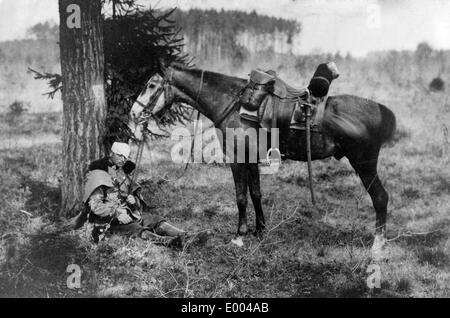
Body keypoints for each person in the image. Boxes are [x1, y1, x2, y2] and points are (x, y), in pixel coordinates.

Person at [77, 142, 187, 244]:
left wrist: (134, 200)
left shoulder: (122, 173)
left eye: (125, 157)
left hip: (131, 214)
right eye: (120, 155)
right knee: (136, 229)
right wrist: (117, 213)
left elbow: (134, 197)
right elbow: (95, 206)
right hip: (110, 223)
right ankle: (169, 242)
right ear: (112, 153)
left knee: (155, 220)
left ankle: (185, 236)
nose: (123, 159)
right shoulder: (98, 175)